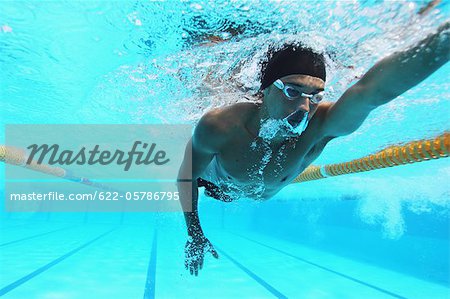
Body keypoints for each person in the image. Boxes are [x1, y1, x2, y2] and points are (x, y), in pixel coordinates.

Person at [177, 22, 450, 276]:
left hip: (247, 185)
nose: (304, 109)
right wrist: (194, 232)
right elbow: (186, 176)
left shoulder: (320, 125)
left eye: (316, 96)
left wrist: (445, 40)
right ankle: (209, 40)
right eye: (293, 92)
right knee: (210, 85)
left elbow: (371, 92)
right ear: (266, 90)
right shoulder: (221, 125)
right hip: (216, 182)